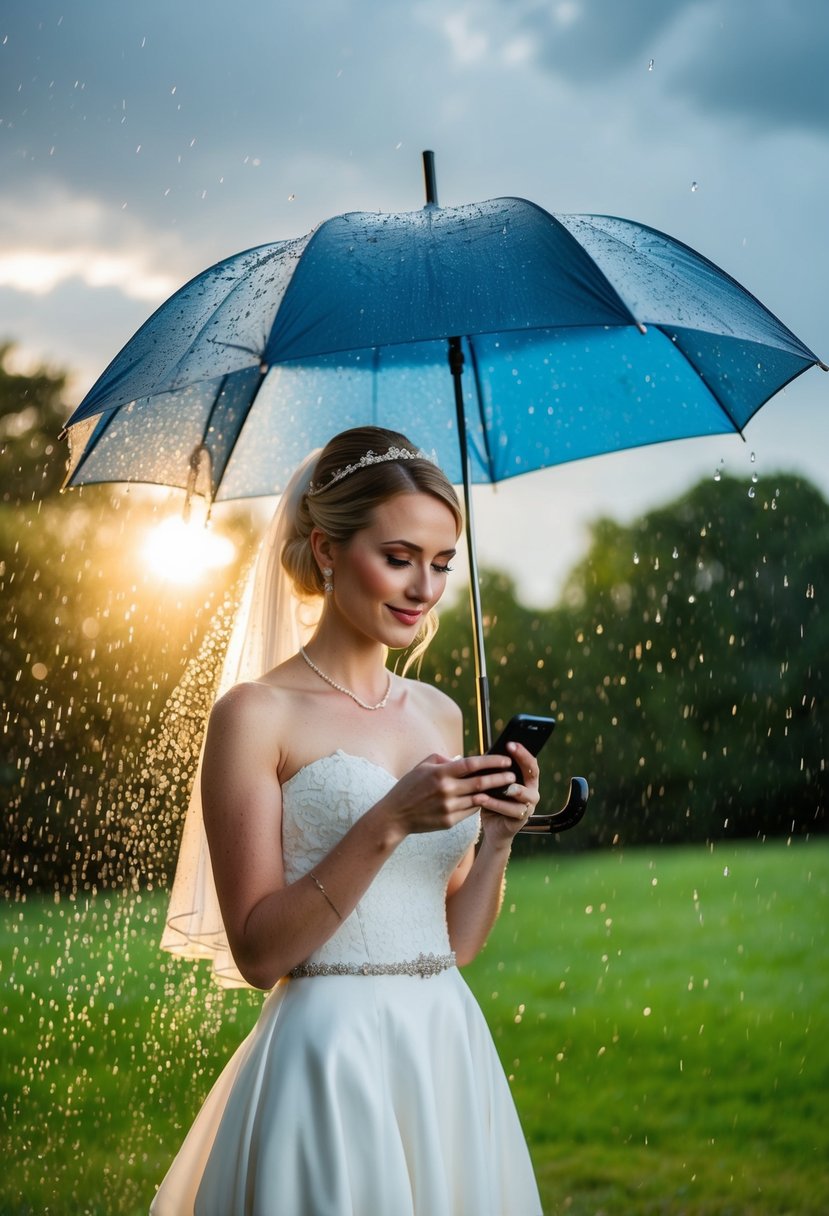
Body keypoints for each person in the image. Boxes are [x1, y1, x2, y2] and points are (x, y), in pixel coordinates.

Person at [151, 426, 543, 1215]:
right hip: (330, 1055)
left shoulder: (435, 712)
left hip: (443, 1042)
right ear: (327, 551)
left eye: (440, 564)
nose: (423, 588)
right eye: (397, 557)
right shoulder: (256, 715)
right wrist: (386, 821)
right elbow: (261, 953)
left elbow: (454, 941)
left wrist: (499, 836)